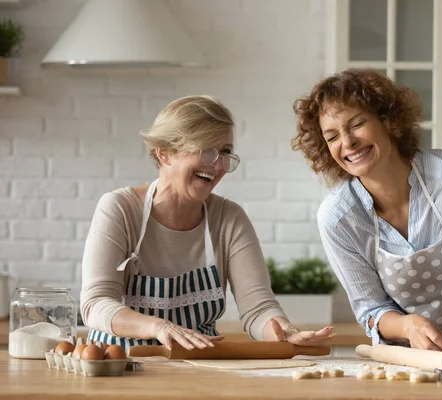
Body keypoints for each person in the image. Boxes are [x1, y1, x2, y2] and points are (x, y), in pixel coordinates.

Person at [291, 69, 442, 366]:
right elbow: (372, 311)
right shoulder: (339, 218)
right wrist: (407, 326)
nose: (348, 142)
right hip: (409, 366)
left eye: (358, 123)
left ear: (388, 121)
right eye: (332, 137)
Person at [80, 95, 334, 351]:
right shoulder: (120, 209)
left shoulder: (229, 219)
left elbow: (258, 307)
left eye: (224, 152)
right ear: (165, 153)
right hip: (119, 368)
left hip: (197, 369)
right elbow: (96, 303)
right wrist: (160, 327)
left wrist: (283, 330)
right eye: (206, 151)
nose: (217, 164)